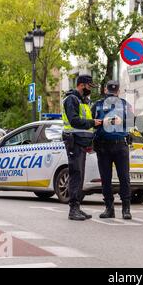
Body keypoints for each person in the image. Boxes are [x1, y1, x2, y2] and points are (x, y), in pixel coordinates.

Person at [92, 80, 134, 220]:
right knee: (113, 179)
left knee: (118, 178)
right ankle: (113, 209)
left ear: (106, 90)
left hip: (117, 145)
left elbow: (131, 122)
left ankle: (123, 209)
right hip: (107, 146)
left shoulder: (99, 105)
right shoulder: (123, 105)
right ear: (118, 91)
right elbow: (90, 122)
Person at [62, 75, 102, 221]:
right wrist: (92, 122)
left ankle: (77, 207)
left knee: (80, 175)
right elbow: (74, 121)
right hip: (74, 141)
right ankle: (73, 209)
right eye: (89, 86)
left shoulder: (83, 101)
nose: (90, 89)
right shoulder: (71, 99)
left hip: (82, 143)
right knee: (75, 174)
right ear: (81, 85)